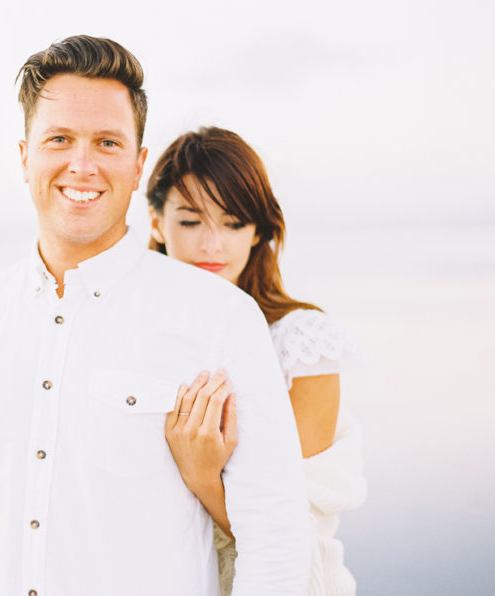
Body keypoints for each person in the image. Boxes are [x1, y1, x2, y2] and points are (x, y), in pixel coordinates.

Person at [0, 37, 310, 595]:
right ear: (24, 156)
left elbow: (278, 541)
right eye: (59, 139)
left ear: (139, 164)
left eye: (107, 142)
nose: (83, 164)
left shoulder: (221, 319)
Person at [146, 126, 367, 595]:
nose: (211, 246)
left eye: (232, 223)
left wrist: (202, 476)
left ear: (259, 230)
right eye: (190, 221)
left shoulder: (301, 341)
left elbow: (296, 523)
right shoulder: (132, 334)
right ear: (155, 221)